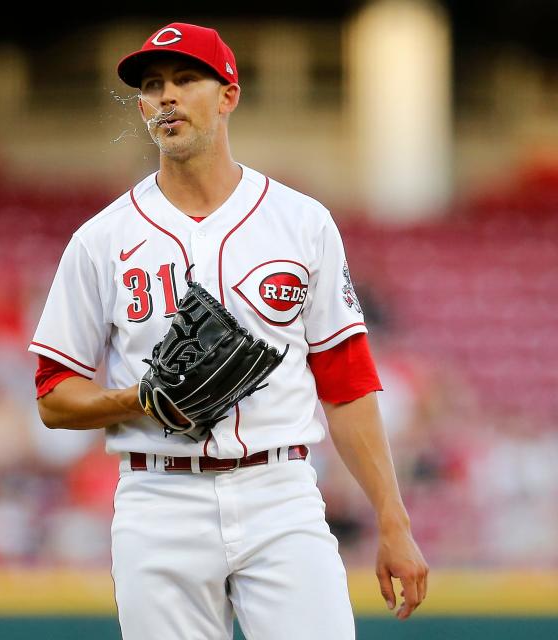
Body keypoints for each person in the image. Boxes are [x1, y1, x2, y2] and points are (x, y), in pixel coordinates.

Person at [28, 21, 429, 640]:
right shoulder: (101, 240)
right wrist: (139, 399)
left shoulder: (302, 222)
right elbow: (54, 396)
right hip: (158, 500)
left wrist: (392, 518)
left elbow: (346, 382)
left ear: (228, 95)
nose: (166, 96)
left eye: (187, 80)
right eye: (152, 85)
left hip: (280, 492)